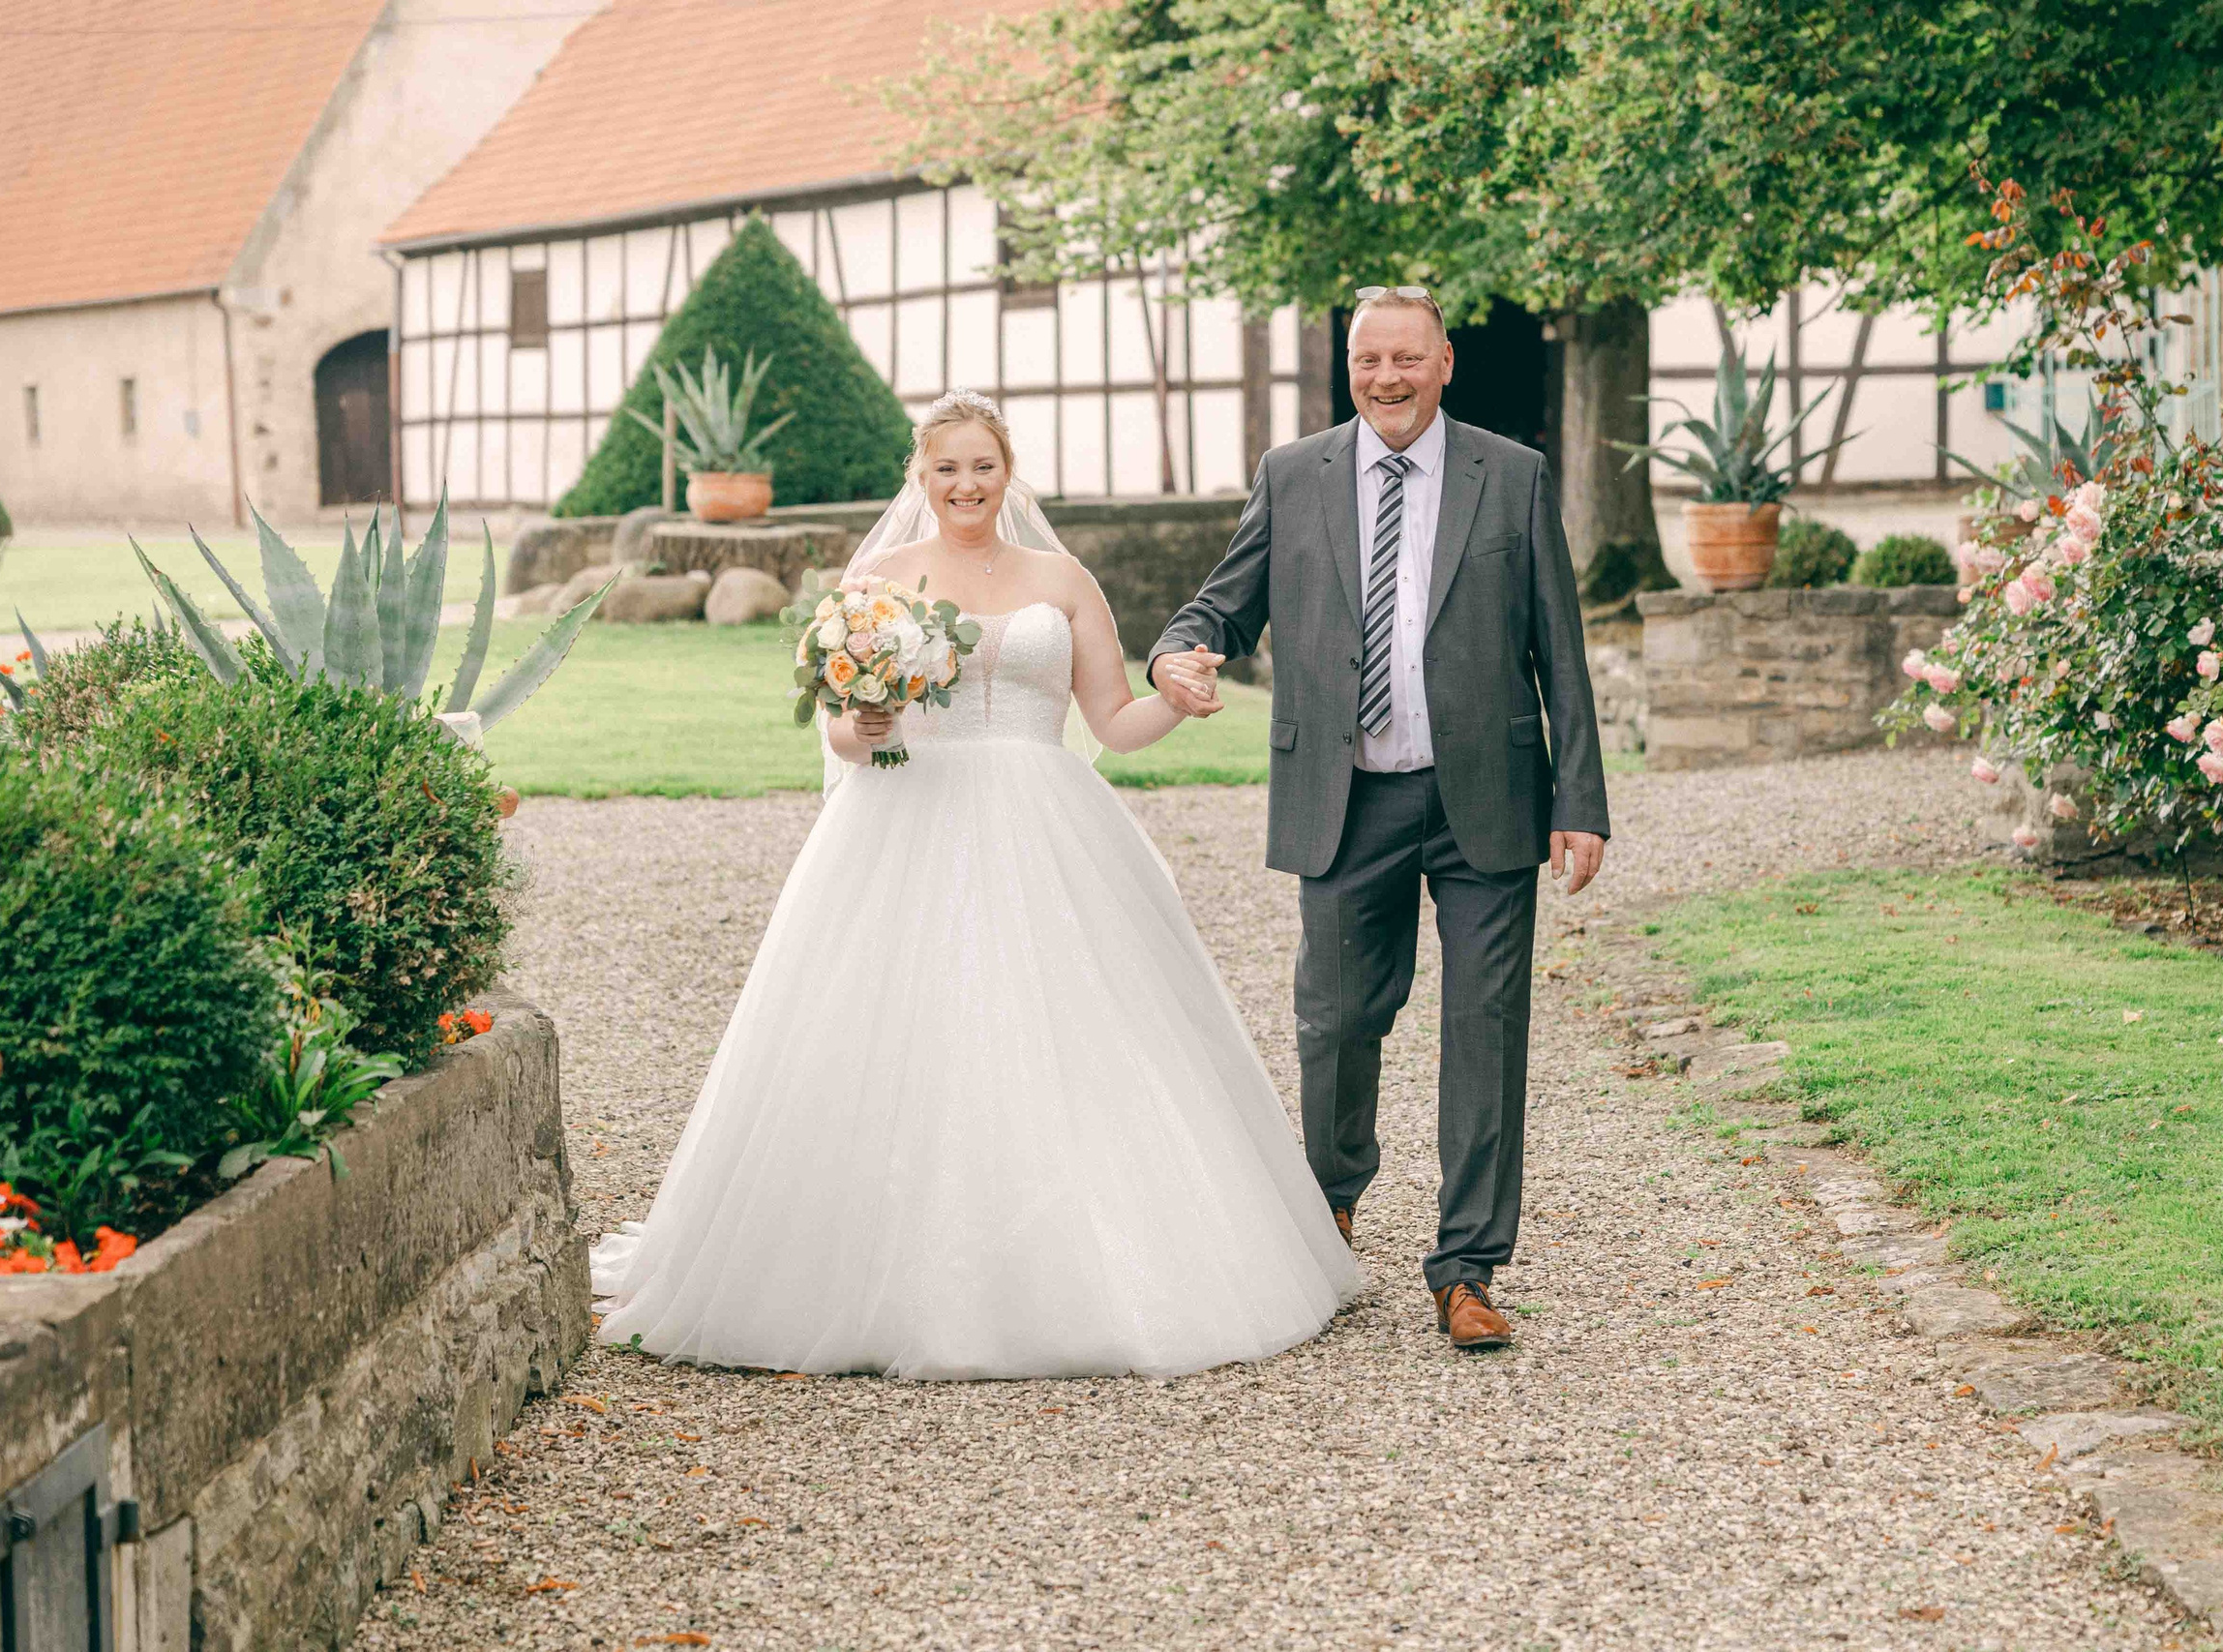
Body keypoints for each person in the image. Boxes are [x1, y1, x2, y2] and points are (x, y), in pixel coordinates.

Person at [589, 389, 1360, 1379]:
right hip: (906, 819)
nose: (965, 485)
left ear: (1008, 473)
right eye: (946, 468)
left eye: (982, 467)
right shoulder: (878, 578)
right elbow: (838, 727)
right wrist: (862, 728)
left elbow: (1113, 722)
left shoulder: (1060, 576)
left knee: (1077, 1038)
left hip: (1050, 824)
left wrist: (1178, 699)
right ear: (921, 477)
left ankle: (1096, 1265)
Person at [1149, 287, 1608, 1351]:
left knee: (1484, 1030)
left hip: (1484, 791)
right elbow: (1225, 599)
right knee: (1339, 1021)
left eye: (1407, 358)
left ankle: (1467, 1268)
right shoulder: (1294, 474)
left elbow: (1561, 650)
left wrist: (1578, 799)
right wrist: (1180, 644)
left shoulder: (1513, 473)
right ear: (1346, 367)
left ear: (1445, 363)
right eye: (1368, 360)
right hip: (1346, 796)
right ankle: (1330, 1201)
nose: (1387, 378)